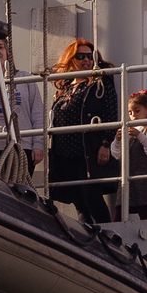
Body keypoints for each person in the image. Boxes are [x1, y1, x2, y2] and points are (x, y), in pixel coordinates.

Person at [47, 38, 116, 224]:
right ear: (71, 60)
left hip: (86, 151)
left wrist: (106, 144)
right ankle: (88, 237)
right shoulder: (66, 88)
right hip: (64, 153)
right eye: (80, 56)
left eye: (89, 56)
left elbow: (111, 113)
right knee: (78, 200)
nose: (86, 60)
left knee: (91, 196)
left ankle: (108, 235)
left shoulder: (100, 83)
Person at [0, 38, 44, 173]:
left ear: (8, 51)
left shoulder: (24, 78)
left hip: (21, 144)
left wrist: (38, 144)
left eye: (0, 47)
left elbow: (37, 112)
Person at [110, 90, 147, 219]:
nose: (133, 115)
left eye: (137, 111)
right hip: (127, 177)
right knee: (120, 210)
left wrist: (139, 135)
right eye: (130, 112)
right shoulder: (127, 131)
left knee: (143, 211)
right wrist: (117, 140)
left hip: (143, 179)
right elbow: (116, 154)